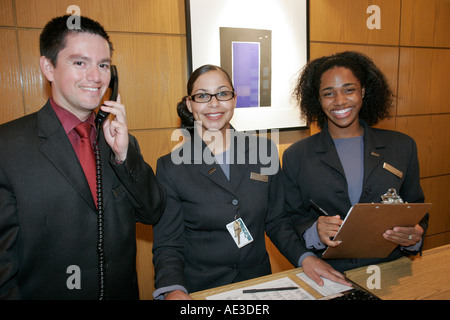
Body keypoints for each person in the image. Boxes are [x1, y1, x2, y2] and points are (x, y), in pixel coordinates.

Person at [0, 15, 165, 299]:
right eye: (80, 63)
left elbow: (152, 212)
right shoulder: (8, 147)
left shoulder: (118, 139)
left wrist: (125, 156)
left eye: (103, 65)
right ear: (48, 67)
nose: (96, 77)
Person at [152, 64, 350, 300]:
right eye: (202, 96)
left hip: (258, 287)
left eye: (223, 93)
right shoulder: (171, 166)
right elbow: (168, 246)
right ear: (189, 104)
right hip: (201, 291)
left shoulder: (263, 151)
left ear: (234, 99)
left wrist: (305, 257)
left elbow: (277, 221)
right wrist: (174, 290)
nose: (214, 103)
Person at [282, 51, 429, 272]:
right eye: (328, 93)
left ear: (363, 91)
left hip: (391, 270)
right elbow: (291, 217)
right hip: (328, 272)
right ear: (318, 99)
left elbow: (416, 208)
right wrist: (315, 232)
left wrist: (415, 236)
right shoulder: (297, 155)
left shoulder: (402, 146)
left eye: (349, 90)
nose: (340, 101)